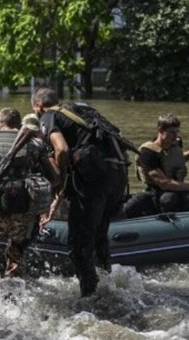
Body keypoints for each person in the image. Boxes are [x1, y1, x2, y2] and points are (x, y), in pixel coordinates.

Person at [32, 87, 130, 297]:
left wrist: (59, 182)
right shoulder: (81, 111)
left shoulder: (49, 116)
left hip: (95, 181)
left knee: (80, 241)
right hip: (118, 176)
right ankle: (108, 286)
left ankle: (89, 296)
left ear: (38, 106)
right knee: (100, 235)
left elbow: (62, 149)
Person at [0, 107, 58, 290]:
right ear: (19, 124)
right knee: (17, 254)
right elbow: (55, 177)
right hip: (24, 213)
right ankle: (13, 293)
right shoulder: (35, 144)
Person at [123, 114, 189, 217]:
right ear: (160, 130)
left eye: (177, 132)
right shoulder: (147, 152)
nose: (175, 136)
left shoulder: (173, 145)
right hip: (157, 191)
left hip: (178, 188)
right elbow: (164, 183)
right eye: (171, 132)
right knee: (167, 199)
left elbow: (175, 160)